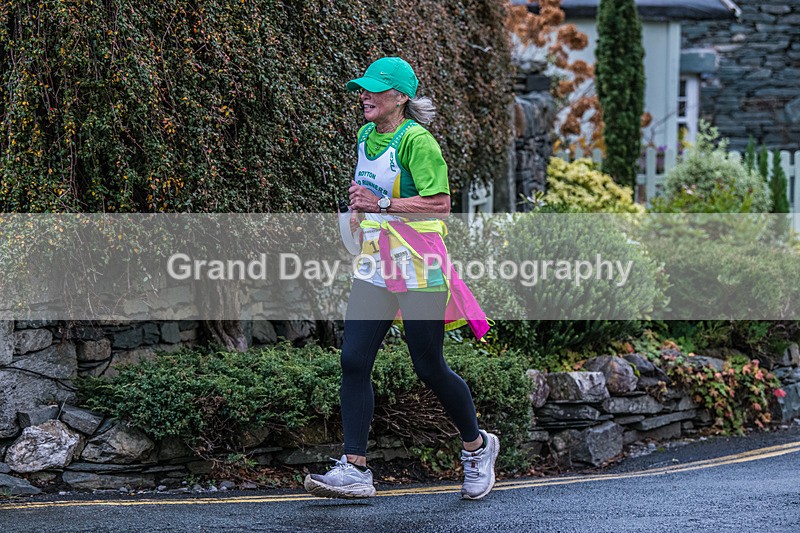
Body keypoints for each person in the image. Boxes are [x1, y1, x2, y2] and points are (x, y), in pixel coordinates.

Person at [303, 57, 498, 501]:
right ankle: (355, 470)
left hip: (420, 264)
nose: (365, 96)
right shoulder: (365, 135)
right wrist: (356, 213)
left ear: (402, 97)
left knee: (428, 366)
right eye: (363, 89)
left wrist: (382, 205)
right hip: (376, 262)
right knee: (353, 360)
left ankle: (477, 447)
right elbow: (364, 191)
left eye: (375, 89)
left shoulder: (418, 141)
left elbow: (441, 205)